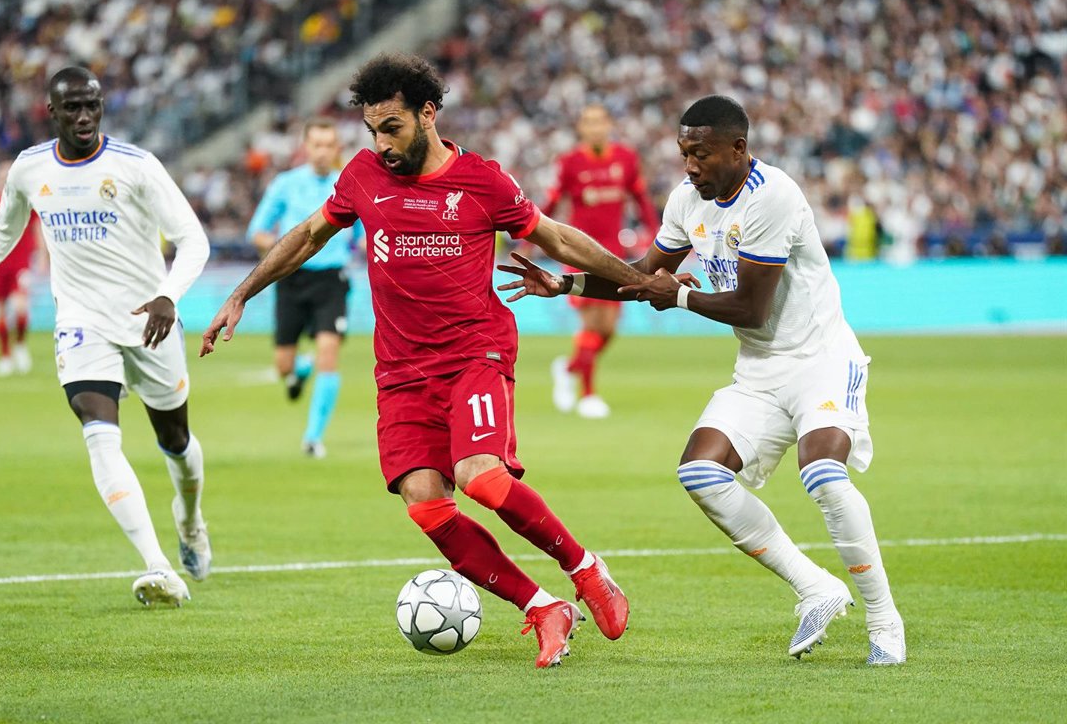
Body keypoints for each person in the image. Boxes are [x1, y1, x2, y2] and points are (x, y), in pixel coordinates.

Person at [202, 53, 651, 668]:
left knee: (482, 478)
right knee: (425, 503)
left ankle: (586, 569)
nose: (381, 145)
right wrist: (240, 294)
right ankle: (543, 607)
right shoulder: (362, 175)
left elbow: (556, 236)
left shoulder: (483, 180)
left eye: (392, 128)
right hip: (401, 371)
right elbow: (308, 236)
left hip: (474, 352)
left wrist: (636, 280)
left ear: (428, 114)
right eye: (372, 131)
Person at [499, 95, 906, 665]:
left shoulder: (773, 196)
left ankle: (885, 622)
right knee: (699, 472)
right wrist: (565, 284)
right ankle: (815, 586)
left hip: (822, 361)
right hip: (760, 370)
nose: (690, 166)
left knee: (822, 475)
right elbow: (642, 276)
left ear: (738, 148)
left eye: (702, 154)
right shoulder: (687, 201)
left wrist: (681, 297)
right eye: (684, 153)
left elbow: (751, 308)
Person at [0, 67, 212, 608]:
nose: (84, 116)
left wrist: (168, 295)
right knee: (99, 434)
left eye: (92, 105)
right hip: (82, 322)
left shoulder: (136, 166)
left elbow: (193, 240)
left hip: (149, 322)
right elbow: (2, 230)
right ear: (52, 111)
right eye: (73, 107)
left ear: (102, 106)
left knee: (176, 442)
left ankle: (190, 518)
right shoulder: (30, 168)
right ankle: (157, 566)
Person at [245, 119, 362, 458]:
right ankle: (300, 367)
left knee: (329, 354)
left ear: (337, 148)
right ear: (306, 147)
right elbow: (257, 232)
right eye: (317, 144)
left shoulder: (349, 185)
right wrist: (284, 250)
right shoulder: (286, 184)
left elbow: (364, 236)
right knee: (283, 365)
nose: (322, 151)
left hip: (332, 280)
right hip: (291, 277)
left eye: (328, 145)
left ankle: (313, 438)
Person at [542, 103, 660, 419]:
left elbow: (641, 200)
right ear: (580, 128)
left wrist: (657, 235)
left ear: (609, 125)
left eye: (599, 121)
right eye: (588, 122)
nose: (594, 127)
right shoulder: (569, 163)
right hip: (578, 253)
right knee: (592, 323)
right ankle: (588, 395)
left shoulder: (626, 158)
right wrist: (531, 237)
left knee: (608, 329)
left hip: (613, 255)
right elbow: (550, 204)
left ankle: (568, 368)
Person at [0, 160, 42, 377]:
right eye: (0, 175)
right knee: (1, 311)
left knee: (20, 307)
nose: (3, 179)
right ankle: (5, 357)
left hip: (20, 260)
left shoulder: (25, 198)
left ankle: (20, 345)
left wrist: (42, 256)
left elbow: (36, 227)